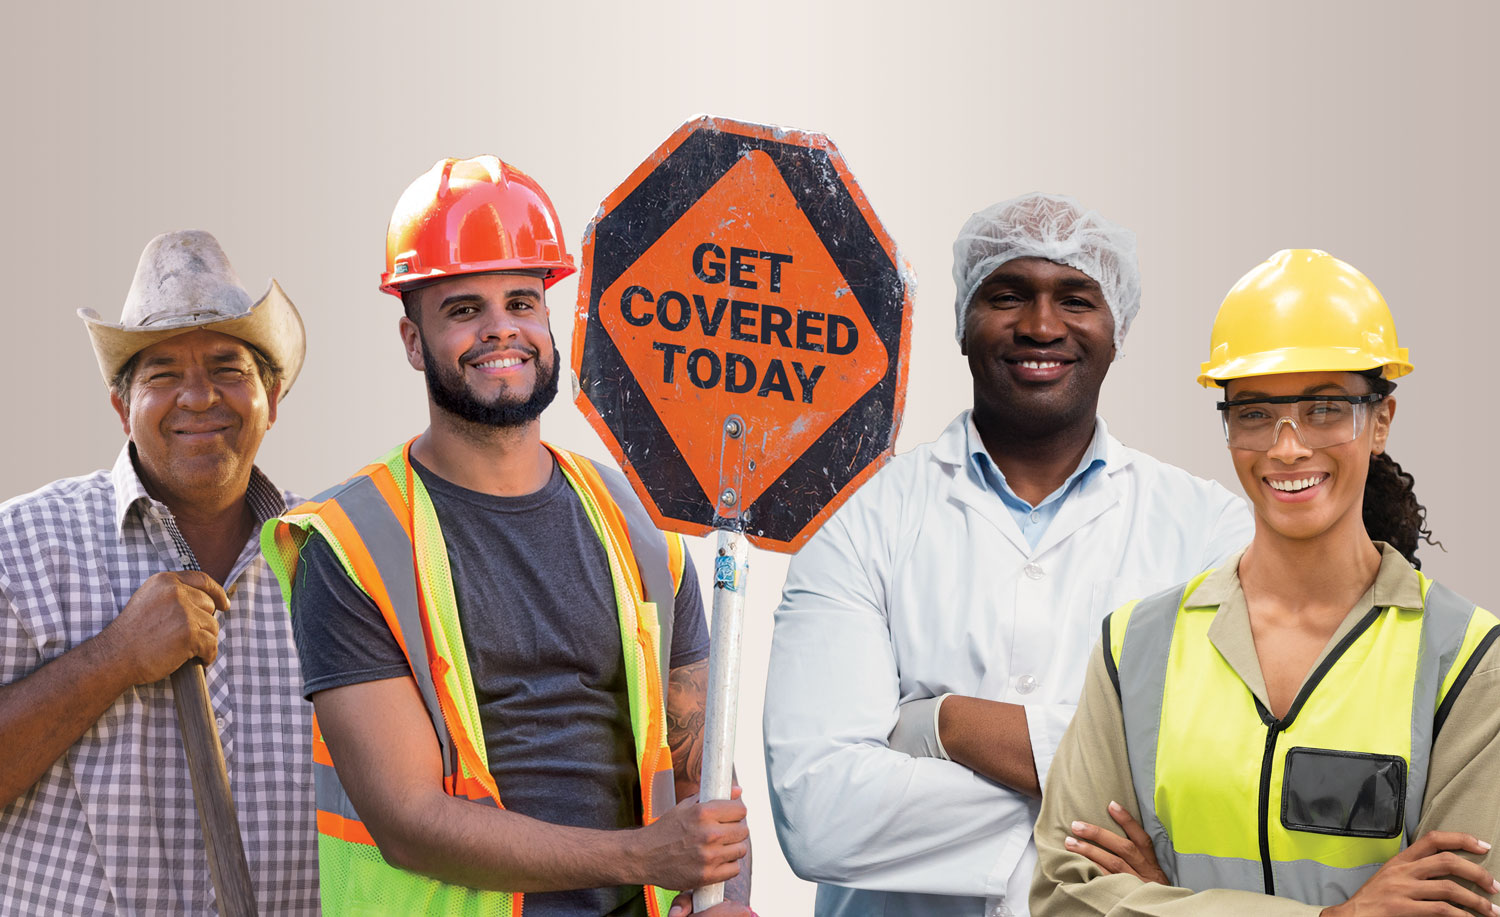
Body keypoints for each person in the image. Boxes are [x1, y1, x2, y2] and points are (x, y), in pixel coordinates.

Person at [263, 155, 750, 917]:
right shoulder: (352, 544)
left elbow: (705, 773)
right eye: (463, 309)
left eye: (522, 301)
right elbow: (409, 822)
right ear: (413, 340)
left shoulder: (644, 521)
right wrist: (642, 854)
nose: (501, 329)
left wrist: (724, 899)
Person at [763, 193, 1254, 917]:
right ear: (964, 321)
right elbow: (820, 815)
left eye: (1076, 298)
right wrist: (1112, 812)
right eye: (1008, 294)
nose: (1042, 325)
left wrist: (941, 726)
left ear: (1118, 326)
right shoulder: (857, 515)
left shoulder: (1211, 531)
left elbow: (1225, 777)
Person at [1031, 249, 1500, 916]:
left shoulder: (1469, 662)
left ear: (1381, 421)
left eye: (1326, 408)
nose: (1286, 447)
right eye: (1254, 413)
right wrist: (1341, 915)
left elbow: (1464, 908)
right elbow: (1062, 897)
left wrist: (1161, 902)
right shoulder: (1135, 650)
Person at [0, 230, 317, 914]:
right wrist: (116, 656)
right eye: (163, 373)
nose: (198, 397)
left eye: (228, 369)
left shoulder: (330, 558)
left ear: (273, 394)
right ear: (122, 408)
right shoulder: (19, 547)